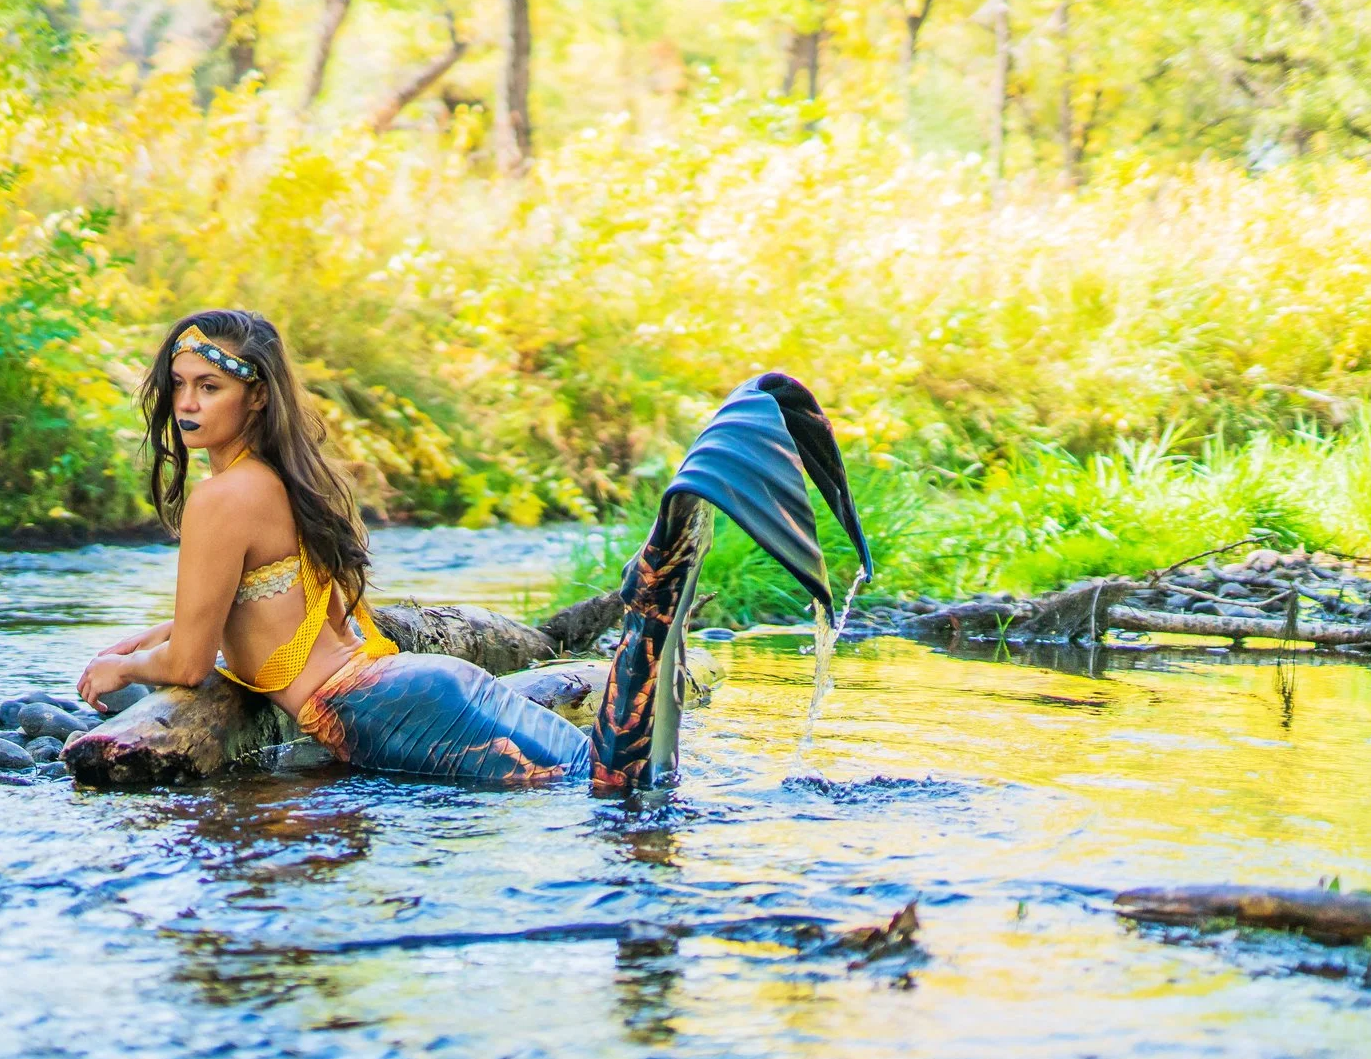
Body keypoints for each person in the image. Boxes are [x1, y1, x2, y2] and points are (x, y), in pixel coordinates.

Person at [75, 309, 870, 794]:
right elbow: (233, 616)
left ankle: (665, 567)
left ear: (253, 395)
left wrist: (125, 669)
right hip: (411, 686)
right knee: (622, 778)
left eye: (207, 387)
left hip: (380, 704)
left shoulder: (221, 497)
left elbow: (189, 666)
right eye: (178, 385)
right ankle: (666, 566)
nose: (185, 403)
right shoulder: (283, 480)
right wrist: (150, 638)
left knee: (616, 792)